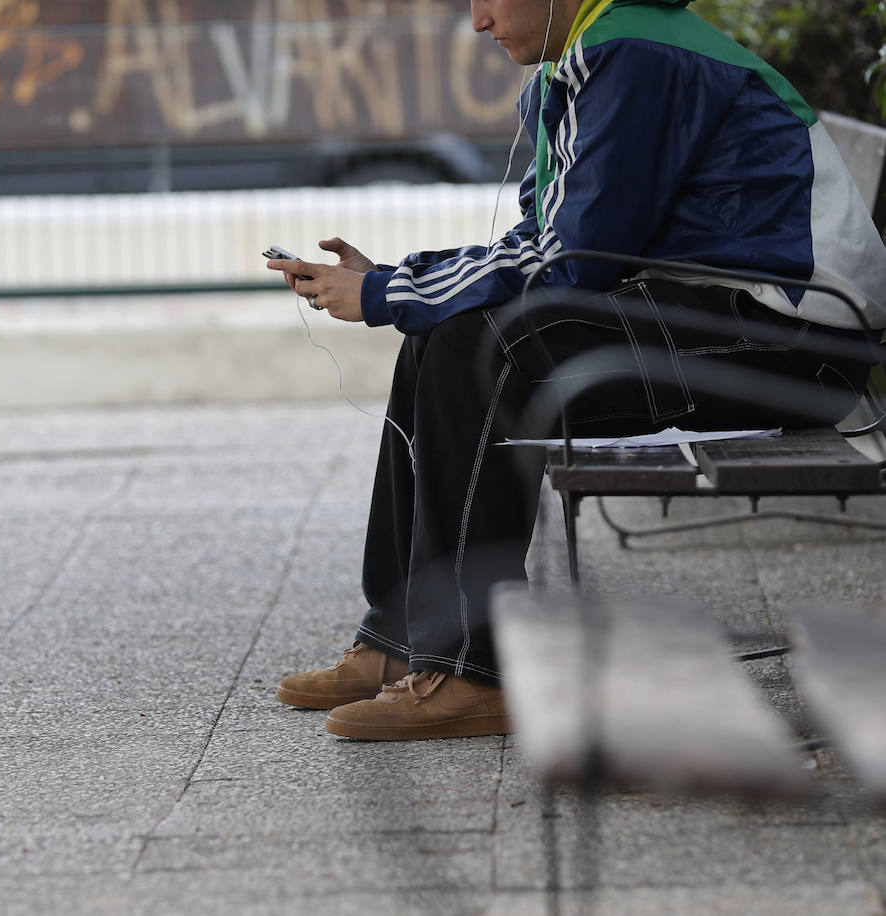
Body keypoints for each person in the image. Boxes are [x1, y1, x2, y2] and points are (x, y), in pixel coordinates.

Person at [266, 0, 886, 741]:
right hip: (735, 316)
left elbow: (573, 260)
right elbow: (546, 240)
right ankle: (401, 638)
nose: (479, 22)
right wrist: (401, 284)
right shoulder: (586, 59)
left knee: (479, 350)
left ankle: (474, 669)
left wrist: (387, 292)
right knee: (440, 337)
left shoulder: (633, 55)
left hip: (799, 345)